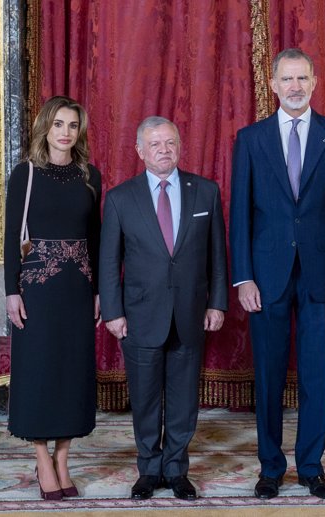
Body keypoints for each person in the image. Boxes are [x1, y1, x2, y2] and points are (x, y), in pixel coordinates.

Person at [229, 48, 325, 499]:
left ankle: (311, 467)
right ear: (273, 85)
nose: (295, 87)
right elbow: (240, 212)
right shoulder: (250, 138)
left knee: (315, 373)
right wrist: (242, 276)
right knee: (267, 374)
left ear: (315, 82)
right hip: (265, 276)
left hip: (322, 274)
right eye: (287, 79)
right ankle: (270, 468)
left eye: (303, 78)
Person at [99, 116, 228, 501]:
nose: (164, 150)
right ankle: (148, 470)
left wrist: (217, 303)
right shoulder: (121, 197)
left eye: (170, 143)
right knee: (145, 398)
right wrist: (113, 312)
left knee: (185, 399)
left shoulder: (205, 192)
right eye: (155, 144)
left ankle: (176, 470)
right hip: (139, 316)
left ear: (180, 145)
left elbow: (217, 256)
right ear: (139, 151)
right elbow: (109, 262)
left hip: (190, 313)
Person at [4, 96, 101, 500]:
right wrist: (12, 291)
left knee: (71, 373)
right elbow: (12, 238)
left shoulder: (90, 176)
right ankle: (42, 457)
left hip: (77, 289)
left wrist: (98, 292)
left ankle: (64, 457)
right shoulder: (25, 174)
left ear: (79, 131)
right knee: (39, 370)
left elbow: (95, 239)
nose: (65, 132)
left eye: (73, 126)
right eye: (59, 124)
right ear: (46, 126)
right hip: (37, 289)